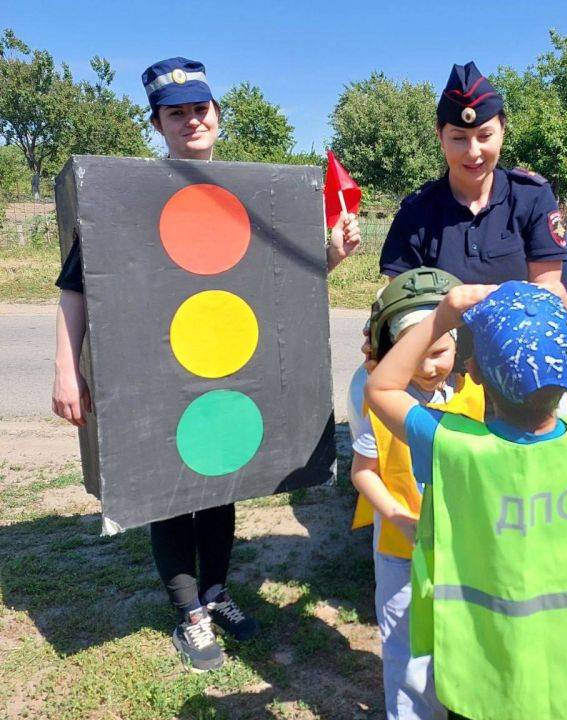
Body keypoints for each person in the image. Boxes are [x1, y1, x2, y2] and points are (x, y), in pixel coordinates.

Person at [51, 57, 360, 672]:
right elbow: (75, 289)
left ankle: (216, 593)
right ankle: (189, 613)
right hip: (159, 371)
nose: (192, 120)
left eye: (200, 108)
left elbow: (280, 287)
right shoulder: (128, 194)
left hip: (224, 368)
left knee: (221, 484)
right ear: (159, 124)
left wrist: (333, 253)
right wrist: (66, 368)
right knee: (167, 492)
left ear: (217, 117)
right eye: (177, 112)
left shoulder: (249, 195)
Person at [365, 280, 567, 720]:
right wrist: (564, 308)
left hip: (487, 676)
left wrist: (442, 316)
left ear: (474, 370)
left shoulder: (455, 447)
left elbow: (382, 388)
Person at [348, 267, 484, 720]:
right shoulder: (372, 395)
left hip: (467, 549)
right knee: (407, 648)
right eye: (416, 355)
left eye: (441, 351)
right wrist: (395, 515)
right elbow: (364, 471)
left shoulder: (476, 388)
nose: (428, 367)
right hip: (401, 549)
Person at [379, 61, 567, 288]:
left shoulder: (532, 198)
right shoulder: (415, 213)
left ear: (502, 132)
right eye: (459, 138)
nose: (473, 152)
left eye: (485, 136)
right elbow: (403, 310)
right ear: (440, 138)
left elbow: (547, 295)